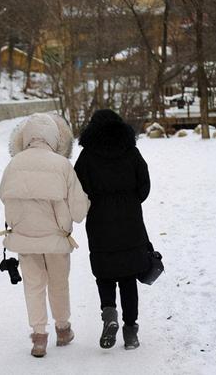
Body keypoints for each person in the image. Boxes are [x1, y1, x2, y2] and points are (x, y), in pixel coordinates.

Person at [0, 113, 89, 357]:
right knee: (59, 284)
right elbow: (79, 210)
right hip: (57, 237)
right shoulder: (62, 165)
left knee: (33, 286)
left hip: (25, 238)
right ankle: (63, 328)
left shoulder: (14, 164)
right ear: (54, 137)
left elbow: (4, 196)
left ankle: (39, 336)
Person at [74, 109, 151, 350]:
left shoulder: (86, 157)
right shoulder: (132, 152)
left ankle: (109, 313)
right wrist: (130, 200)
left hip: (99, 221)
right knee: (129, 276)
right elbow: (144, 186)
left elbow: (78, 189)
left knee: (105, 274)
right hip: (130, 220)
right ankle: (130, 332)